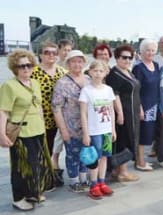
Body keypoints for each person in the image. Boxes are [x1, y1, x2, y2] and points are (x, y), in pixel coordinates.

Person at [0, 49, 54, 211]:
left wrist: (43, 126)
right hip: (21, 132)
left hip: (37, 130)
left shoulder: (35, 83)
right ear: (14, 67)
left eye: (29, 65)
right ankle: (18, 198)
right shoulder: (9, 86)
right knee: (21, 167)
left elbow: (38, 108)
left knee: (37, 164)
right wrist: (2, 134)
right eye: (21, 66)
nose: (25, 69)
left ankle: (33, 192)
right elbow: (3, 111)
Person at [52, 50, 90, 192]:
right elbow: (56, 108)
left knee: (86, 153)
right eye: (73, 61)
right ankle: (74, 181)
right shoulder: (62, 83)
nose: (77, 64)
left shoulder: (88, 79)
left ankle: (84, 178)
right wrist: (63, 130)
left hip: (87, 126)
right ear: (67, 63)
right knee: (73, 155)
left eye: (79, 61)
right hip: (71, 127)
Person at [30, 41, 66, 185]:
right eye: (47, 52)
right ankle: (39, 178)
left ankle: (49, 175)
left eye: (54, 52)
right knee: (38, 150)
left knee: (52, 148)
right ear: (40, 55)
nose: (51, 55)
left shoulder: (62, 72)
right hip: (39, 118)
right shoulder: (33, 72)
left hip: (58, 119)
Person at [80, 60, 116, 199]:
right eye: (95, 71)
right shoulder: (86, 90)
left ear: (105, 73)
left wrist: (113, 129)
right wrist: (85, 133)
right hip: (93, 131)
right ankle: (93, 184)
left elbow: (111, 110)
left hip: (106, 130)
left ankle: (102, 182)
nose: (98, 74)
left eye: (101, 71)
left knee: (104, 157)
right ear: (90, 72)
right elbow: (83, 113)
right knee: (94, 158)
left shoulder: (108, 90)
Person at [105, 45, 139, 182]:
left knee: (129, 138)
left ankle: (117, 170)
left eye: (130, 57)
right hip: (123, 112)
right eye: (124, 57)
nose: (127, 60)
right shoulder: (114, 74)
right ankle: (122, 172)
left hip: (133, 111)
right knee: (123, 140)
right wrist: (120, 113)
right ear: (117, 58)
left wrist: (140, 108)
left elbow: (136, 91)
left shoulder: (129, 72)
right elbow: (115, 95)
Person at [132, 39, 160, 171]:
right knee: (142, 134)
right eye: (147, 50)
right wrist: (140, 108)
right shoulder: (138, 68)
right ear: (141, 52)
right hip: (144, 105)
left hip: (154, 104)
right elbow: (136, 90)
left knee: (149, 134)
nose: (150, 52)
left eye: (152, 50)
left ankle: (142, 159)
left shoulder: (156, 65)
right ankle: (140, 161)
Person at [52, 40, 72, 184]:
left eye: (69, 49)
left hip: (66, 113)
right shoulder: (56, 67)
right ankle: (54, 168)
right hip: (53, 110)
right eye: (64, 49)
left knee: (60, 141)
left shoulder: (69, 67)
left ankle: (57, 167)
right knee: (56, 143)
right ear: (59, 50)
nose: (66, 52)